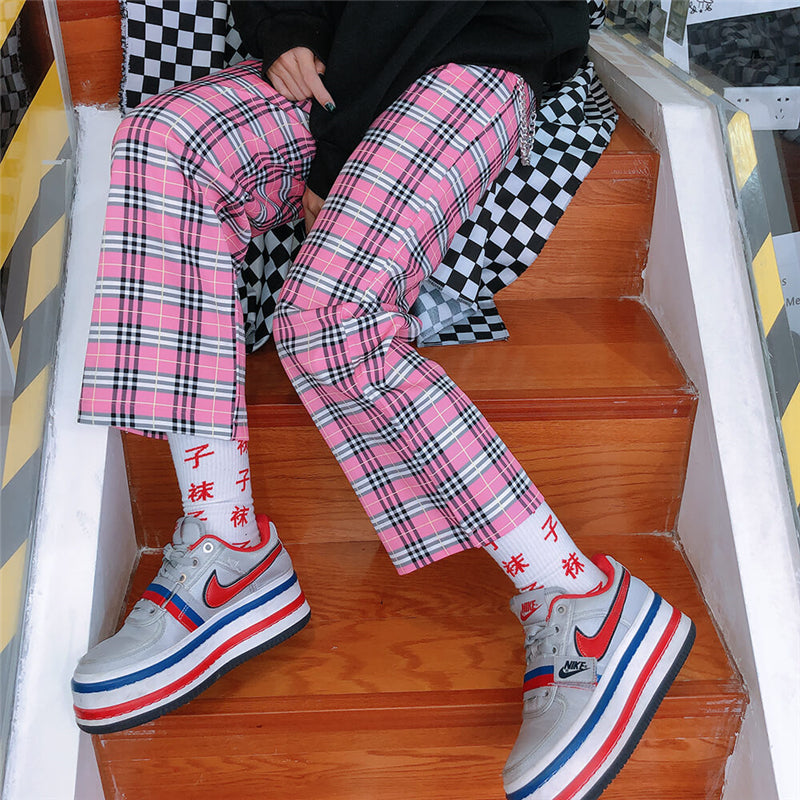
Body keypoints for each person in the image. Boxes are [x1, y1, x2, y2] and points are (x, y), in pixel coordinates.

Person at [71, 3, 695, 799]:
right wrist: (285, 32)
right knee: (163, 143)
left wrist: (335, 153)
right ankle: (227, 546)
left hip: (469, 48)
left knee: (328, 316)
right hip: (331, 69)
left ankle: (579, 593)